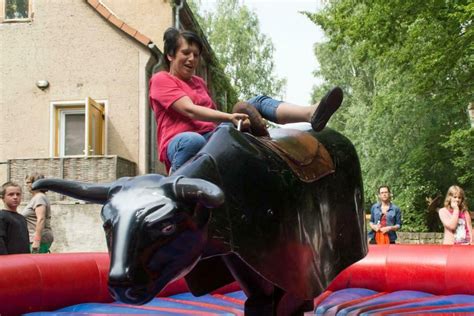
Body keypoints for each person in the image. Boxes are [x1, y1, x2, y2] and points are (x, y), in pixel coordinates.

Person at [149, 27, 344, 173]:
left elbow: (214, 121)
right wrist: (231, 117)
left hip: (210, 137)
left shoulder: (198, 83)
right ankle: (174, 185)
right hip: (180, 143)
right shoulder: (161, 80)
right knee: (193, 140)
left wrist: (243, 119)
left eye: (196, 55)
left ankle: (311, 113)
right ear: (170, 55)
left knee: (254, 102)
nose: (192, 59)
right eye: (186, 53)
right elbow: (190, 110)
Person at [21, 173, 54, 253]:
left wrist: (37, 241)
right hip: (34, 238)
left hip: (38, 239)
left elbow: (41, 218)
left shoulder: (39, 197)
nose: (26, 185)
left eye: (28, 182)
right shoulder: (37, 197)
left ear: (36, 183)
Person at [0, 182, 29, 255]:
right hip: (9, 263)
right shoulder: (2, 216)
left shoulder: (22, 218)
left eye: (18, 194)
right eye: (11, 194)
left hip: (23, 259)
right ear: (3, 198)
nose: (15, 197)